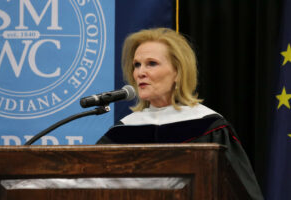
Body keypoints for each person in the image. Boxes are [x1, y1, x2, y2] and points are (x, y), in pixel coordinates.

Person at [97, 27, 263, 199]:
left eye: (151, 63)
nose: (140, 73)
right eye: (137, 65)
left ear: (177, 72)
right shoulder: (122, 132)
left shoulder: (209, 127)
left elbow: (238, 193)